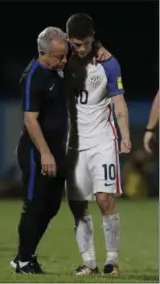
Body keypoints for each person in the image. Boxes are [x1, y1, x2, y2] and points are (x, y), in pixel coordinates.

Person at [11, 26, 111, 274]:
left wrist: (99, 48)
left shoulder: (59, 67)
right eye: (58, 56)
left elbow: (84, 43)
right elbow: (30, 120)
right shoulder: (33, 76)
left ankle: (25, 256)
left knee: (52, 205)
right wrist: (45, 153)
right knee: (34, 204)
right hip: (37, 152)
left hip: (59, 151)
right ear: (42, 53)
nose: (64, 60)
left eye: (65, 54)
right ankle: (24, 261)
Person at [65, 13, 131, 276]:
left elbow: (118, 101)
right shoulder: (64, 60)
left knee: (104, 198)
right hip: (74, 145)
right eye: (75, 44)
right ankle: (89, 263)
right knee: (79, 203)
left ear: (93, 37)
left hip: (103, 140)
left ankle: (112, 261)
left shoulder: (108, 63)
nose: (79, 49)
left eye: (85, 43)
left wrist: (125, 135)